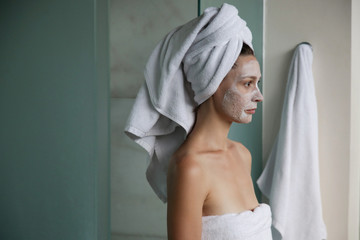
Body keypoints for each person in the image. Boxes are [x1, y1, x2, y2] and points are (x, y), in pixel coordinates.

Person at [125, 3, 272, 239]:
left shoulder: (242, 155)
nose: (259, 96)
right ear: (212, 84)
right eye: (247, 84)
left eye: (258, 83)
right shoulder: (190, 168)